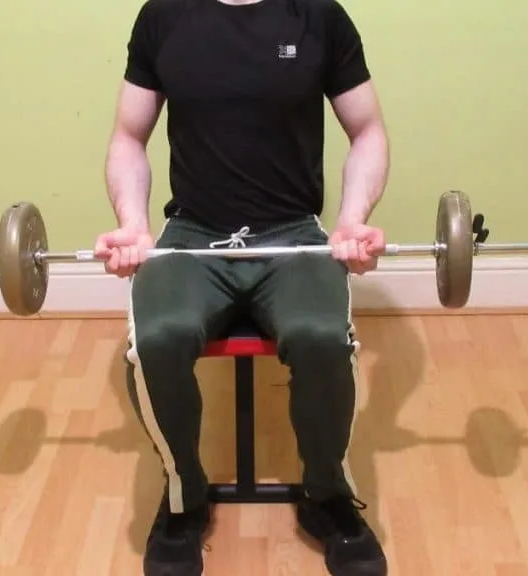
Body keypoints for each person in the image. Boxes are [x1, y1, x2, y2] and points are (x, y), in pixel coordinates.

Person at [95, 0, 390, 574]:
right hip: (196, 234)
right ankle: (184, 494)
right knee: (158, 337)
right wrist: (134, 224)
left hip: (290, 234)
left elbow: (368, 130)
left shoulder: (319, 17)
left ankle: (326, 494)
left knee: (321, 336)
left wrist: (352, 220)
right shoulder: (164, 15)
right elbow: (129, 135)